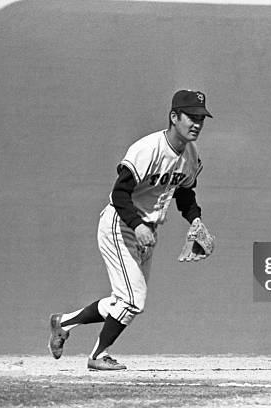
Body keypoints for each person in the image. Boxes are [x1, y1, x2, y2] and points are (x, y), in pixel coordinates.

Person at [48, 90, 213, 370]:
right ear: (174, 117)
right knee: (133, 299)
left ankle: (62, 322)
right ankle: (98, 356)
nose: (197, 123)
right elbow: (119, 193)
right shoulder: (148, 149)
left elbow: (185, 195)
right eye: (191, 116)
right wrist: (136, 225)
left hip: (147, 230)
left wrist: (195, 220)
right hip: (120, 223)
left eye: (201, 118)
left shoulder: (191, 156)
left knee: (122, 300)